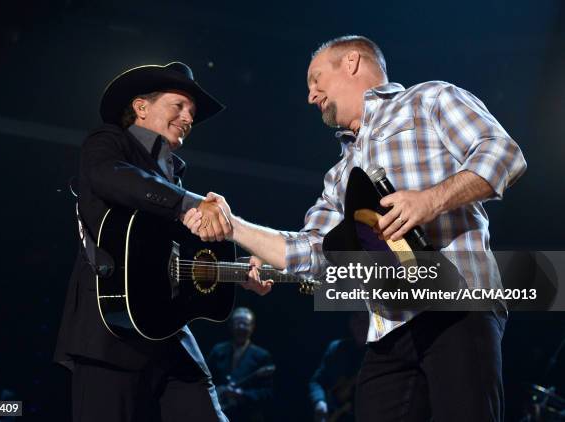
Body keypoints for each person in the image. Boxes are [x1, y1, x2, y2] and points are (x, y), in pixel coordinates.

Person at [184, 35, 527, 421]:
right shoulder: (338, 176)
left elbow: (504, 154)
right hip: (389, 326)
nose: (311, 96)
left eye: (316, 80)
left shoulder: (429, 99)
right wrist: (234, 228)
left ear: (351, 61)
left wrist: (430, 199)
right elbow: (311, 252)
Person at [54, 62, 268, 422]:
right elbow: (112, 177)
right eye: (179, 106)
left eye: (193, 113)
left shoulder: (174, 175)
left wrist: (237, 271)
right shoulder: (109, 142)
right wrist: (188, 203)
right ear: (141, 107)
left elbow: (174, 262)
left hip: (166, 331)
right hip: (110, 331)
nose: (188, 118)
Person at [207, 307, 274, 422]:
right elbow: (206, 380)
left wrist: (243, 395)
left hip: (248, 416)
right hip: (219, 414)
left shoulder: (261, 355)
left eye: (245, 324)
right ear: (231, 325)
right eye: (238, 323)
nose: (241, 327)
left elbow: (268, 392)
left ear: (252, 327)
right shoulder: (218, 350)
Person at [309, 313, 367, 422]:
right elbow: (317, 381)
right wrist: (319, 401)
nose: (361, 324)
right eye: (356, 318)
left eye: (366, 319)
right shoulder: (336, 348)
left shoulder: (381, 354)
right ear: (350, 322)